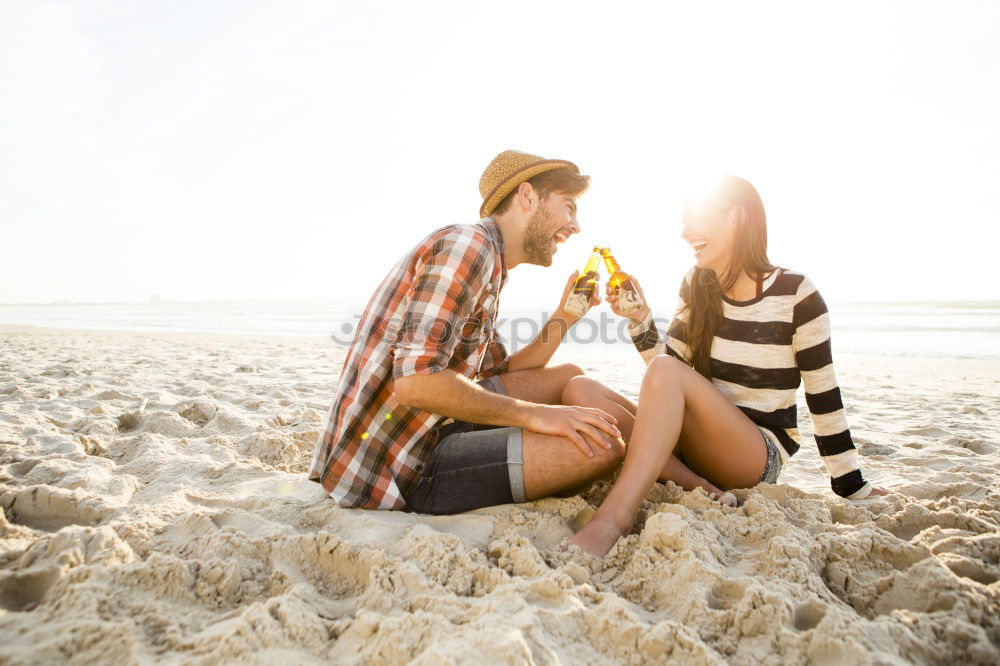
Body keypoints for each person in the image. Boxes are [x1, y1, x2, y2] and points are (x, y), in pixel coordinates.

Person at [564, 174, 889, 557]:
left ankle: (613, 519)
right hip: (695, 445)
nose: (684, 232)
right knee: (578, 388)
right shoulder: (696, 285)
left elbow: (823, 393)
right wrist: (640, 319)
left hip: (754, 456)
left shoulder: (797, 294)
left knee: (661, 376)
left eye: (694, 219)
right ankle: (701, 487)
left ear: (735, 217)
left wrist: (849, 482)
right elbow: (671, 373)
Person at [308, 150, 636, 513]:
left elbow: (501, 370)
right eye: (569, 207)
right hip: (401, 463)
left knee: (569, 376)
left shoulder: (489, 260)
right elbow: (416, 382)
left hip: (429, 426)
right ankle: (669, 449)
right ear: (527, 196)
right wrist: (535, 415)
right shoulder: (469, 247)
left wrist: (566, 315)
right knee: (603, 446)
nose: (575, 226)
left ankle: (663, 443)